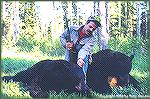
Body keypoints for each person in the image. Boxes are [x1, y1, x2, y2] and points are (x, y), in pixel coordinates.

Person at [60, 16, 101, 93]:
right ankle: (65, 87)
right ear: (86, 23)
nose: (91, 30)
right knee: (67, 68)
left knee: (82, 70)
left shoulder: (93, 38)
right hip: (70, 52)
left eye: (94, 29)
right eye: (90, 26)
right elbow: (62, 37)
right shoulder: (72, 28)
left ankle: (83, 87)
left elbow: (84, 49)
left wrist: (80, 59)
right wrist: (66, 44)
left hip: (83, 55)